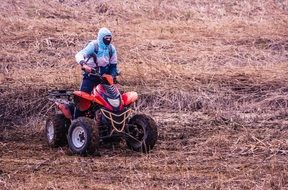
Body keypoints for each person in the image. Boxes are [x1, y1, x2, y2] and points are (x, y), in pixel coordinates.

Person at [75, 27, 118, 94]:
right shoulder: (94, 45)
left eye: (110, 38)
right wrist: (84, 64)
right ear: (101, 37)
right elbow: (79, 54)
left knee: (111, 97)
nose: (108, 40)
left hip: (105, 76)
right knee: (84, 95)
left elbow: (113, 65)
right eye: (106, 38)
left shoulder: (111, 48)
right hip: (91, 74)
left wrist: (112, 76)